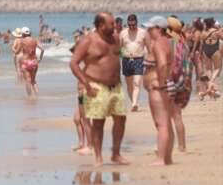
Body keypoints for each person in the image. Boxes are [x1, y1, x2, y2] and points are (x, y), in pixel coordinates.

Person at [69, 12, 129, 167]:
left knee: (121, 119)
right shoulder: (88, 41)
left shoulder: (116, 38)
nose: (114, 25)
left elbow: (116, 58)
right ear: (101, 26)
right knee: (98, 123)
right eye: (111, 23)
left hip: (116, 86)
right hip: (96, 86)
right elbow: (74, 63)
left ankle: (116, 154)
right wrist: (86, 84)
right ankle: (98, 157)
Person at [141, 16, 177, 166]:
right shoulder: (165, 42)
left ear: (159, 29)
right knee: (166, 123)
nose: (148, 31)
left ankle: (161, 159)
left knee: (161, 124)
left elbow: (162, 65)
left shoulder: (159, 44)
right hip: (164, 86)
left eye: (150, 28)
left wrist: (160, 83)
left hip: (159, 88)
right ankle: (167, 158)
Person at [165, 16, 191, 155]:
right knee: (177, 116)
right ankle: (181, 146)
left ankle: (170, 146)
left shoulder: (169, 43)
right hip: (182, 83)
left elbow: (170, 66)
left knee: (169, 117)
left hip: (171, 82)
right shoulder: (183, 42)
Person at [119, 13, 147, 111]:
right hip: (126, 60)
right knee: (129, 84)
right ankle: (134, 103)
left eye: (133, 24)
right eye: (129, 25)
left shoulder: (143, 32)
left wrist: (149, 60)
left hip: (139, 59)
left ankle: (134, 103)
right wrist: (125, 52)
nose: (131, 26)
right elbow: (119, 48)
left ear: (137, 23)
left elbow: (148, 47)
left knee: (137, 83)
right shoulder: (123, 33)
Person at [18, 29, 43, 97]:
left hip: (25, 62)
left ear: (23, 34)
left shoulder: (22, 41)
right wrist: (40, 58)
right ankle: (38, 96)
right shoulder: (35, 40)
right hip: (34, 62)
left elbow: (17, 51)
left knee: (28, 81)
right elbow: (42, 49)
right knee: (33, 81)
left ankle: (30, 97)